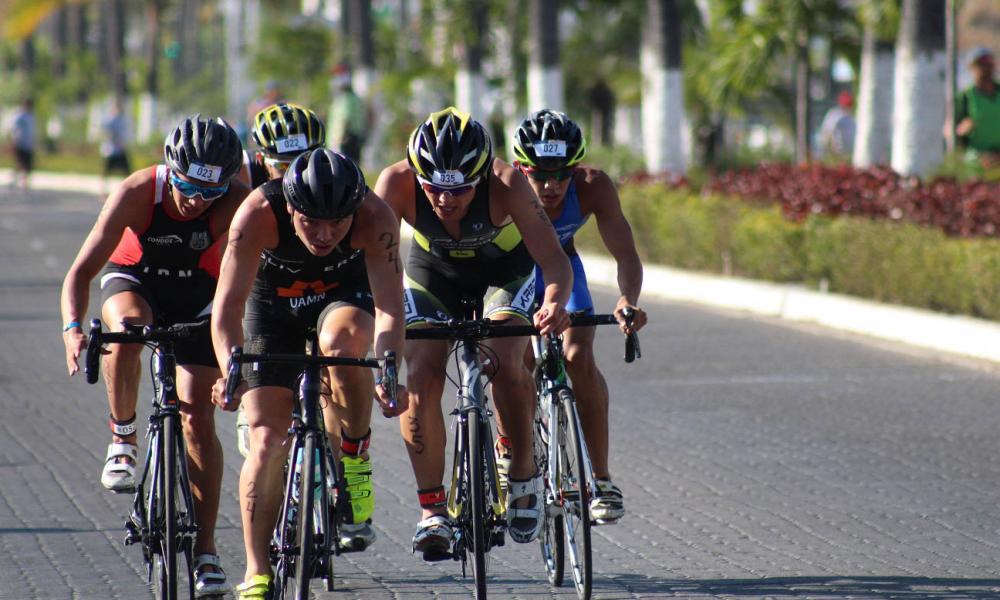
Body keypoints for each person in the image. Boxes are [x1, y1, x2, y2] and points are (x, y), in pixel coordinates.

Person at [60, 114, 249, 596]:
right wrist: (72, 330)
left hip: (200, 296)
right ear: (171, 170)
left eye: (210, 192)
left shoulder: (236, 201)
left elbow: (252, 283)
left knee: (196, 418)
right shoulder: (138, 190)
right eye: (187, 185)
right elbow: (80, 272)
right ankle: (122, 439)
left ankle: (206, 552)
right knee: (126, 329)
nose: (195, 200)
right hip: (136, 280)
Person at [373, 107, 572, 559]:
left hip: (503, 274)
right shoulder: (395, 183)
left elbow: (554, 262)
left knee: (504, 361)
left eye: (460, 189)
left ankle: (521, 471)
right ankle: (432, 511)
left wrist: (555, 301)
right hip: (432, 275)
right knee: (421, 373)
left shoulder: (507, 184)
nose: (445, 200)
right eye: (434, 189)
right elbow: (371, 266)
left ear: (481, 177)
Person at [210, 148, 406, 599]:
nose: (324, 234)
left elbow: (391, 310)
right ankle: (257, 570)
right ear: (291, 207)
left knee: (343, 342)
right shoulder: (258, 211)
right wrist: (230, 369)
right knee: (265, 438)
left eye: (337, 223)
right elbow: (226, 308)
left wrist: (390, 371)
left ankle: (354, 453)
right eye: (311, 222)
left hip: (343, 300)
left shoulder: (375, 216)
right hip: (270, 309)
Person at [510, 109, 648, 525]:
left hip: (563, 270)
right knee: (515, 362)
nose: (551, 187)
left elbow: (625, 253)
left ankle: (602, 480)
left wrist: (627, 299)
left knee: (578, 359)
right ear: (521, 169)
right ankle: (513, 454)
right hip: (514, 272)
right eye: (539, 176)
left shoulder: (594, 187)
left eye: (561, 175)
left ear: (575, 169)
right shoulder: (503, 187)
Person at [234, 102, 328, 458]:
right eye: (283, 166)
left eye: (303, 161)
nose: (293, 176)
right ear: (261, 160)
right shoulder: (244, 183)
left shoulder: (330, 177)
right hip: (263, 283)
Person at [241, 102, 326, 191]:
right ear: (262, 160)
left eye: (305, 165)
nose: (295, 174)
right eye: (284, 166)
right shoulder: (244, 172)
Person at [956, 47, 1000, 168]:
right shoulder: (965, 97)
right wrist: (962, 129)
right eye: (981, 64)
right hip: (977, 160)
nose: (986, 68)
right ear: (972, 68)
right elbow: (954, 131)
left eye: (989, 63)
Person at [327, 64, 369, 163]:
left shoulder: (346, 99)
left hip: (345, 140)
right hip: (352, 139)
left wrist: (340, 139)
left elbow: (345, 119)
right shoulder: (351, 98)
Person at [101, 99, 132, 194]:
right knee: (106, 172)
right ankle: (103, 190)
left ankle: (127, 189)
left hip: (120, 149)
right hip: (111, 150)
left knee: (126, 171)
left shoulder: (121, 119)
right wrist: (113, 137)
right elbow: (106, 131)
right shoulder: (110, 120)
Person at [817, 91, 856, 160]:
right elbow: (826, 133)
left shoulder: (853, 117)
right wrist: (827, 148)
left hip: (850, 154)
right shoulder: (834, 115)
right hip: (835, 154)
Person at [11, 98, 36, 189]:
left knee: (27, 164)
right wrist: (15, 140)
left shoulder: (31, 116)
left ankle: (25, 182)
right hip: (20, 142)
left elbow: (32, 131)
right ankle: (16, 180)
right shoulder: (20, 116)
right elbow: (15, 128)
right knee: (20, 162)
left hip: (28, 143)